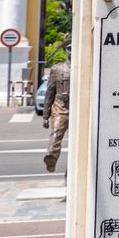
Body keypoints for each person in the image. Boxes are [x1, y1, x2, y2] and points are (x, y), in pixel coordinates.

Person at [42, 44, 71, 173]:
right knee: (56, 133)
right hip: (61, 107)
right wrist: (45, 115)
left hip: (80, 108)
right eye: (69, 48)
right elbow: (49, 93)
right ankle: (51, 157)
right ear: (66, 50)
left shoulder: (85, 66)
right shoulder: (57, 69)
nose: (72, 51)